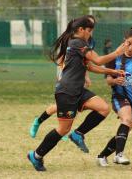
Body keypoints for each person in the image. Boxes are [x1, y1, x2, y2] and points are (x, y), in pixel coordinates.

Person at [27, 15, 126, 171]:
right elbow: (98, 60)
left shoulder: (79, 44)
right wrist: (117, 53)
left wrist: (112, 70)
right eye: (89, 30)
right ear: (81, 30)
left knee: (103, 108)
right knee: (63, 130)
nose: (90, 34)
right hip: (67, 92)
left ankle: (78, 133)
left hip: (78, 90)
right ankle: (36, 156)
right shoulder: (77, 43)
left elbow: (91, 67)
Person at [96, 27, 132, 167]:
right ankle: (119, 155)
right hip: (119, 97)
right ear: (124, 41)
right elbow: (108, 79)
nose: (131, 47)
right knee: (126, 120)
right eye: (128, 43)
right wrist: (115, 81)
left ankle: (102, 156)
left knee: (125, 129)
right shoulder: (115, 57)